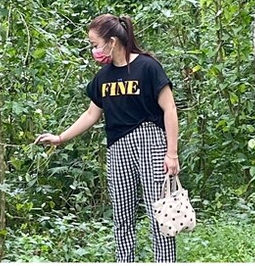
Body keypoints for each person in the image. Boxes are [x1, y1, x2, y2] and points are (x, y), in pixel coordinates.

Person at [34, 14, 180, 262]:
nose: (94, 50)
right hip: (118, 148)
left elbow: (170, 108)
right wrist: (60, 138)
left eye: (95, 44)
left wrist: (172, 153)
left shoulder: (148, 67)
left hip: (152, 143)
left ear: (112, 41)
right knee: (122, 216)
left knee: (160, 214)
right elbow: (91, 114)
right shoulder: (103, 77)